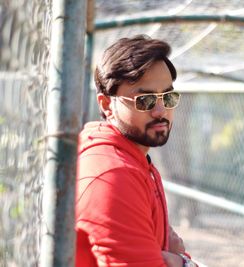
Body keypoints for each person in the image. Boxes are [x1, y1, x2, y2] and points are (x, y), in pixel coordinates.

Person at [75, 35, 197, 267]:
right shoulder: (113, 174)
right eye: (145, 100)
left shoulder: (136, 160)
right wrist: (185, 264)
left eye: (168, 97)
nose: (161, 111)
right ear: (107, 105)